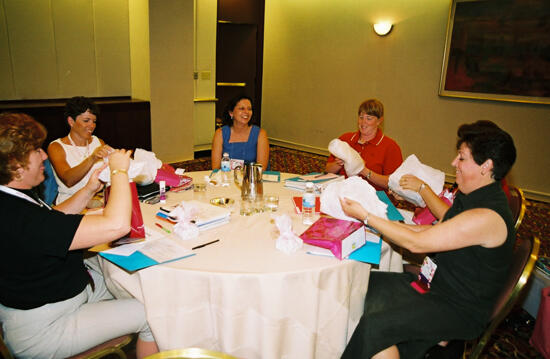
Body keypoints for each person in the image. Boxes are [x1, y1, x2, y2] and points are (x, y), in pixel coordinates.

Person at [339, 120, 517, 359]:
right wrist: (377, 221)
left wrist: (366, 216)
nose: (454, 163)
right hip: (435, 285)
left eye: (462, 158)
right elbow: (427, 233)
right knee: (359, 284)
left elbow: (417, 244)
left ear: (486, 166)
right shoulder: (472, 196)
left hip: (457, 308)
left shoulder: (487, 216)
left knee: (376, 324)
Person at [0, 113, 158, 358]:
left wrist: (89, 189)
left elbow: (53, 216)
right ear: (16, 167)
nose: (44, 156)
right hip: (47, 328)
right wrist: (119, 173)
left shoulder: (11, 196)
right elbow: (117, 226)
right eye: (36, 151)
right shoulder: (16, 217)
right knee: (154, 315)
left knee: (130, 281)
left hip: (61, 295)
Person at [48, 96, 113, 205]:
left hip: (97, 199)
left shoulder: (98, 142)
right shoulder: (56, 147)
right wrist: (92, 158)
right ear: (71, 121)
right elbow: (68, 180)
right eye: (86, 120)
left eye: (94, 121)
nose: (91, 126)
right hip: (69, 202)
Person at [326, 98, 403, 191]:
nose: (363, 122)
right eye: (361, 117)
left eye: (369, 118)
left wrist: (364, 170)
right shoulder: (345, 139)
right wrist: (338, 164)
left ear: (379, 121)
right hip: (343, 192)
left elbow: (393, 184)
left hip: (373, 198)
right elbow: (328, 170)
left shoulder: (390, 147)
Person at [211, 94, 269, 170]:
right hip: (227, 179)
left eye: (249, 109)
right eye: (242, 109)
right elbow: (216, 168)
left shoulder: (260, 134)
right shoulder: (220, 133)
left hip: (252, 178)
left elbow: (261, 168)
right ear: (231, 113)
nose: (246, 112)